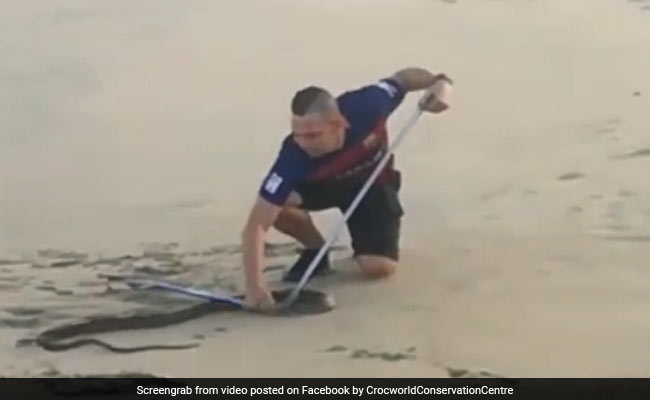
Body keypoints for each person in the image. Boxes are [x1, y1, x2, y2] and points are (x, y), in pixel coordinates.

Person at [240, 67, 453, 311]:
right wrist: (254, 286)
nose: (302, 143)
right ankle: (315, 249)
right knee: (277, 203)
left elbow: (403, 79)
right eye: (297, 134)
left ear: (339, 124)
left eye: (312, 135)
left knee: (378, 269)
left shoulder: (369, 104)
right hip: (323, 186)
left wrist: (440, 83)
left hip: (372, 183)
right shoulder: (292, 155)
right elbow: (257, 224)